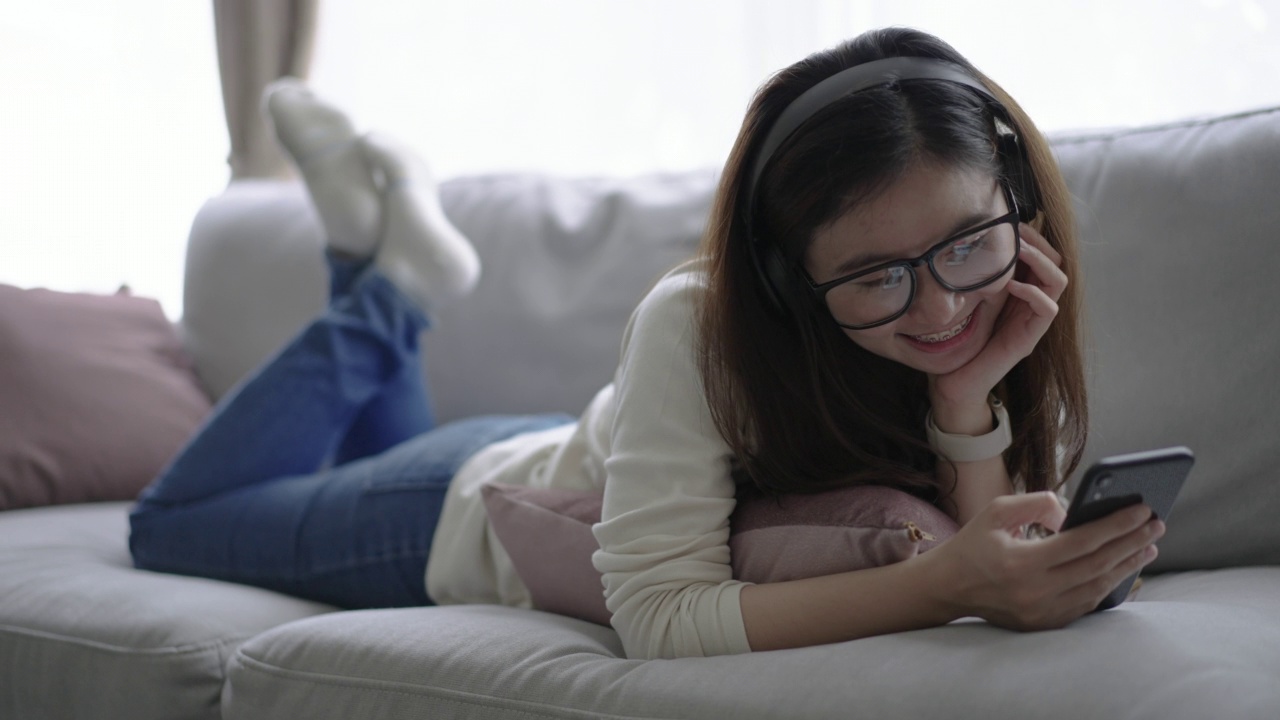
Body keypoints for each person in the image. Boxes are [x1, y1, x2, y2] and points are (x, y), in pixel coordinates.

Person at [129, 27, 1165, 661]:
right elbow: (659, 620)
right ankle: (391, 295)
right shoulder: (701, 318)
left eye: (961, 246)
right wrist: (945, 586)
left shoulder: (1005, 306)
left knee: (350, 458)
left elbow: (993, 548)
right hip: (456, 508)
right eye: (872, 276)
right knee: (167, 524)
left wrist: (966, 402)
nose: (938, 311)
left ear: (1015, 207)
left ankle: (367, 250)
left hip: (590, 452)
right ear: (781, 274)